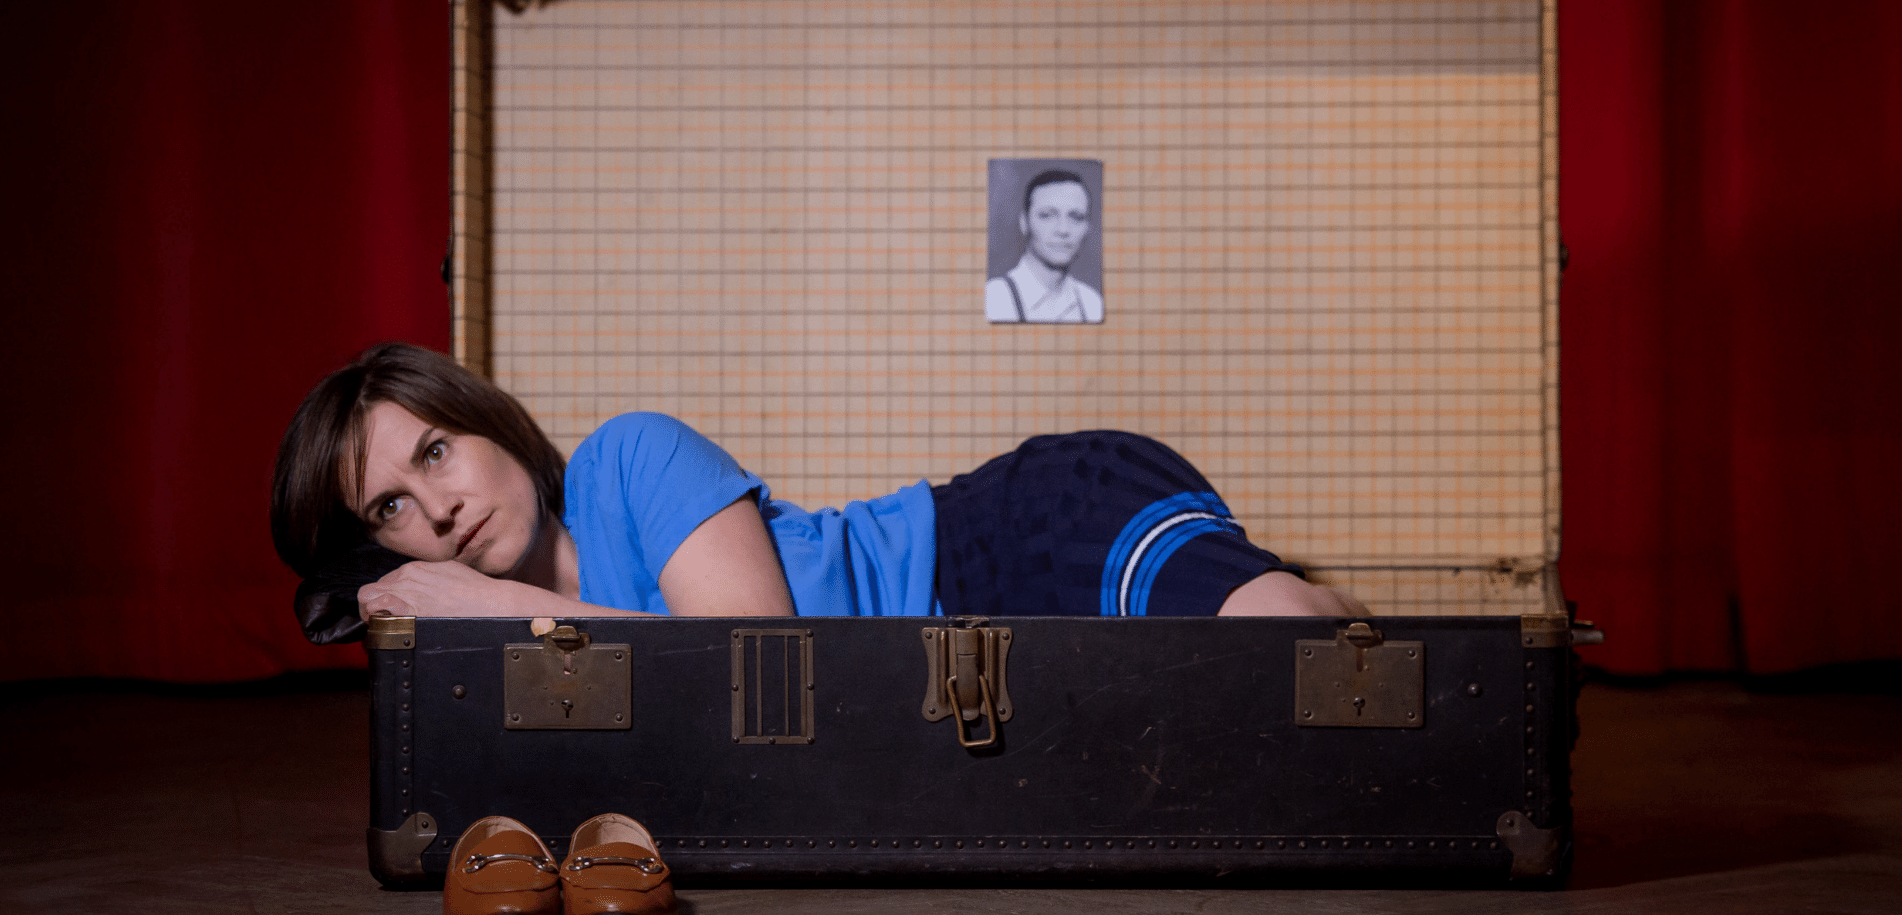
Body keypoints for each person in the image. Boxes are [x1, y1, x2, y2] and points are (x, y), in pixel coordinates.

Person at [271, 343, 1367, 629]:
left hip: (1008, 539)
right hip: (976, 649)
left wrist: (508, 607)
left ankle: (1313, 594)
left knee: (1279, 643)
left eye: (432, 454)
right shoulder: (490, 643)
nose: (438, 507)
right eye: (389, 511)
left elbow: (748, 651)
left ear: (486, 425)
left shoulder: (625, 454)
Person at [984, 169, 1105, 323]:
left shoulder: (1092, 304)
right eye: (1047, 215)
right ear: (1024, 223)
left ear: (1087, 227)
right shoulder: (994, 300)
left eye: (1076, 217)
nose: (1063, 230)